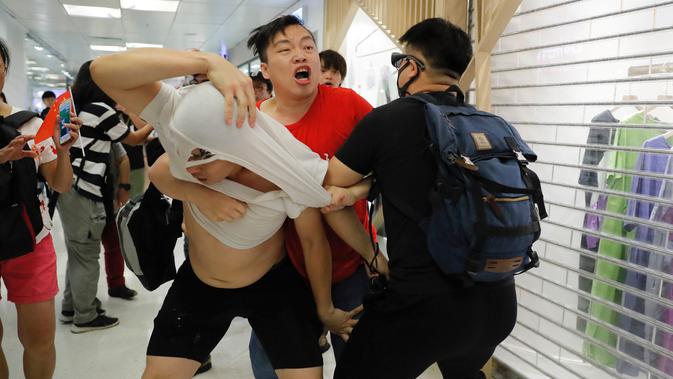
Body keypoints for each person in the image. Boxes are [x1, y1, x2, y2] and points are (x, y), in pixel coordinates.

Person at [90, 41, 382, 379]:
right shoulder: (182, 116)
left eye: (203, 156)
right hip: (201, 282)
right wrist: (206, 61)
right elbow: (103, 71)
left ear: (240, 149)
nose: (190, 163)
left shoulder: (285, 169)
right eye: (185, 151)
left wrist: (326, 307)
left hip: (271, 284)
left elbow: (315, 236)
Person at [321, 18, 519, 379]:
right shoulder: (490, 124)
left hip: (421, 308)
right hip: (498, 304)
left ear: (412, 67)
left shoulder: (387, 121)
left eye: (401, 62)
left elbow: (328, 193)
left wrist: (374, 258)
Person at [245, 16, 380, 378]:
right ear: (265, 70)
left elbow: (390, 167)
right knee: (271, 364)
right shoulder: (252, 124)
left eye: (307, 47)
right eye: (285, 50)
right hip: (283, 269)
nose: (301, 55)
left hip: (352, 263)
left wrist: (353, 191)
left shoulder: (348, 104)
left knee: (363, 364)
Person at [0, 38, 81, 379]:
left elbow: (61, 184)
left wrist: (63, 150)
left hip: (31, 236)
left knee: (39, 337)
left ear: (5, 71)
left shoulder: (30, 124)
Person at [56, 60, 153, 333]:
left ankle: (70, 306)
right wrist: (157, 118)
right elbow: (134, 139)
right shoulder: (101, 109)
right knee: (87, 254)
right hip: (85, 189)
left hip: (68, 189)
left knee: (78, 252)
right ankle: (85, 316)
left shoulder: (75, 108)